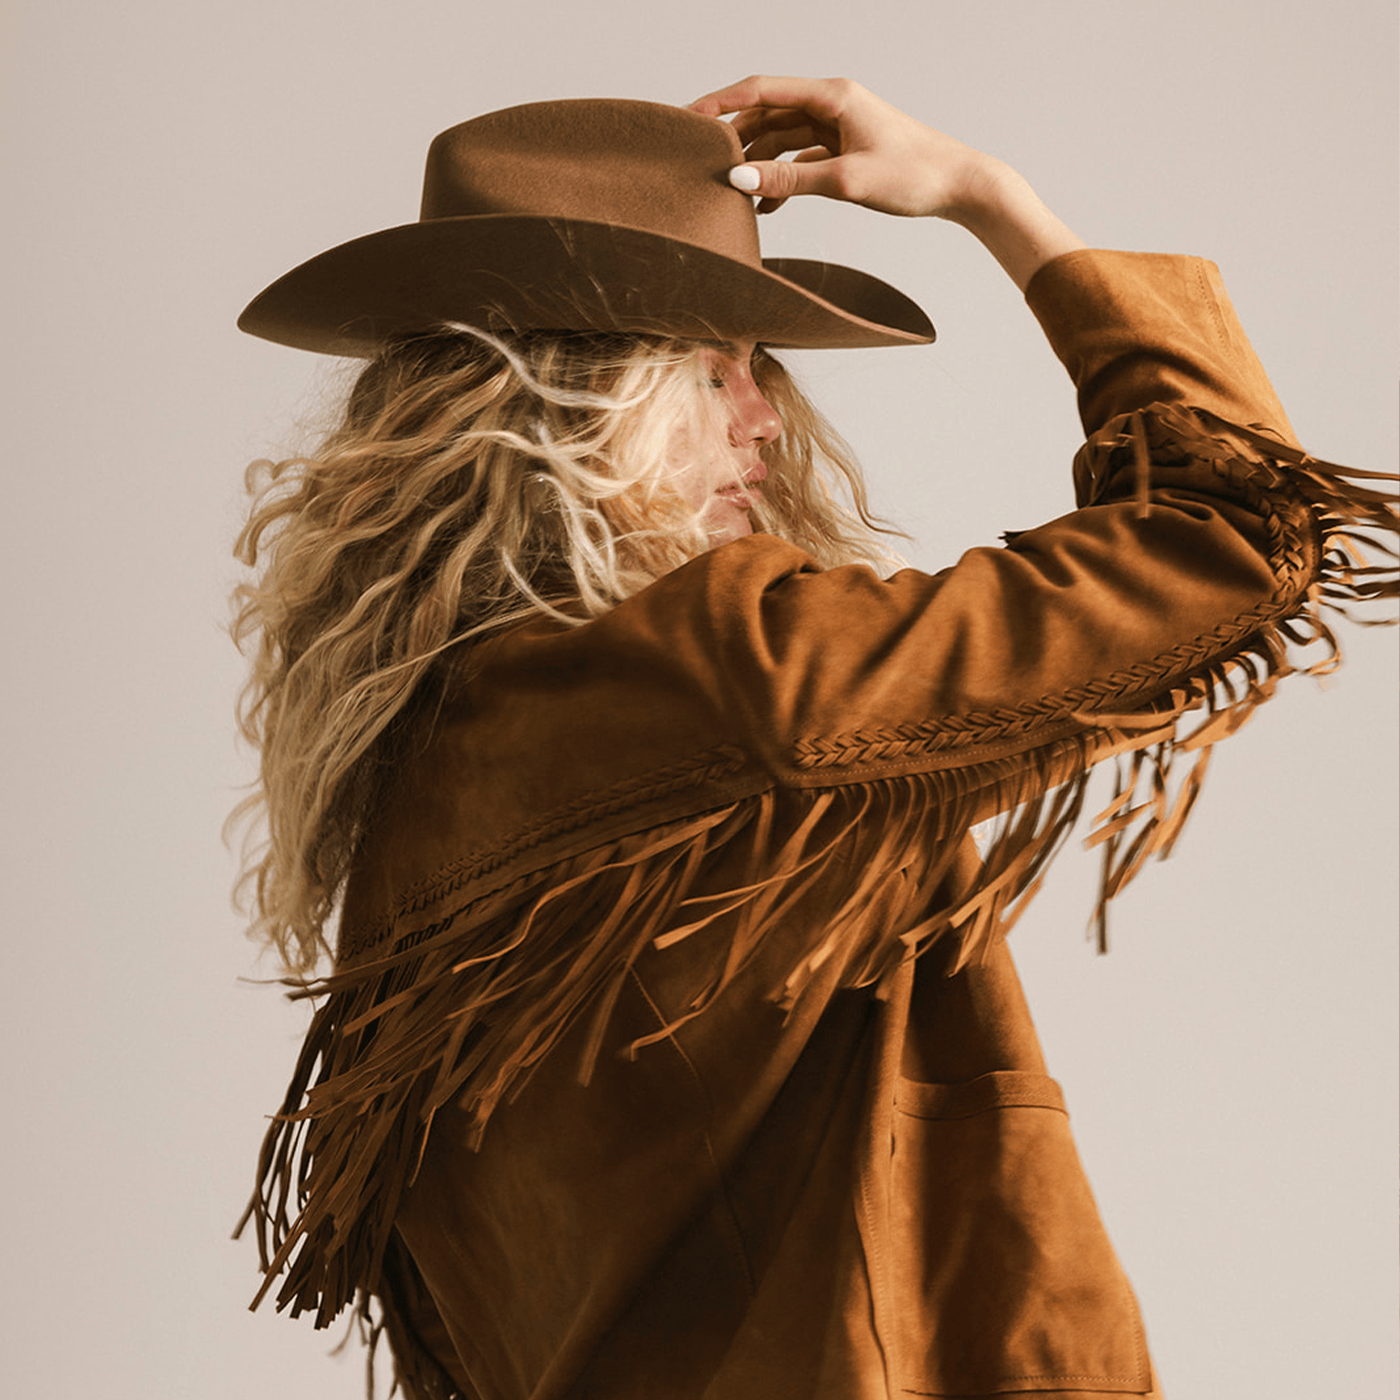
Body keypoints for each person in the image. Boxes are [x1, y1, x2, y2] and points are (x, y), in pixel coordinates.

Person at [231, 76, 1396, 1400]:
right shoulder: (731, 678)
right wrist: (994, 201)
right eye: (715, 372)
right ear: (578, 401)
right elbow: (1234, 534)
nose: (765, 418)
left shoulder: (424, 781)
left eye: (761, 371)